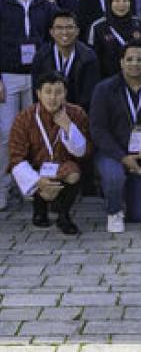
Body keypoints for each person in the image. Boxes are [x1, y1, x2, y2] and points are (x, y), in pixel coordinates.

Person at [89, 40, 141, 233]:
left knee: (139, 216)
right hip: (112, 153)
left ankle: (119, 190)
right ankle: (114, 211)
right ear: (121, 62)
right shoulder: (104, 89)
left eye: (139, 59)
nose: (135, 63)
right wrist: (123, 157)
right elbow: (98, 130)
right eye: (129, 59)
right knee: (114, 176)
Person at [0, 0, 55, 210]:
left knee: (35, 134)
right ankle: (3, 187)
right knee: (6, 133)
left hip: (37, 78)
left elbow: (52, 41)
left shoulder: (46, 7)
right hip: (8, 76)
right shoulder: (2, 4)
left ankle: (29, 185)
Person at [8, 71, 89, 235]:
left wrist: (68, 127)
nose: (53, 98)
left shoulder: (77, 114)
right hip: (36, 167)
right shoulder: (24, 117)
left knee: (73, 173)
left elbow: (83, 152)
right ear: (38, 93)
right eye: (48, 92)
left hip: (63, 165)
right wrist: (38, 181)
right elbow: (16, 156)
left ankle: (64, 215)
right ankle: (39, 208)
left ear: (65, 93)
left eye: (58, 92)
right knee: (29, 174)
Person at [31, 9, 99, 113]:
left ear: (77, 31)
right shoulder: (41, 56)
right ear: (51, 32)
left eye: (69, 27)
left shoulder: (89, 57)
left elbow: (89, 96)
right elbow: (37, 91)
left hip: (78, 114)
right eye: (59, 28)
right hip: (47, 112)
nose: (64, 32)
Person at [88, 0, 141, 80]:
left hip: (136, 79)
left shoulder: (138, 24)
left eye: (125, 0)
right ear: (109, 2)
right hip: (107, 81)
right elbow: (93, 59)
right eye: (117, 0)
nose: (121, 4)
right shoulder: (98, 27)